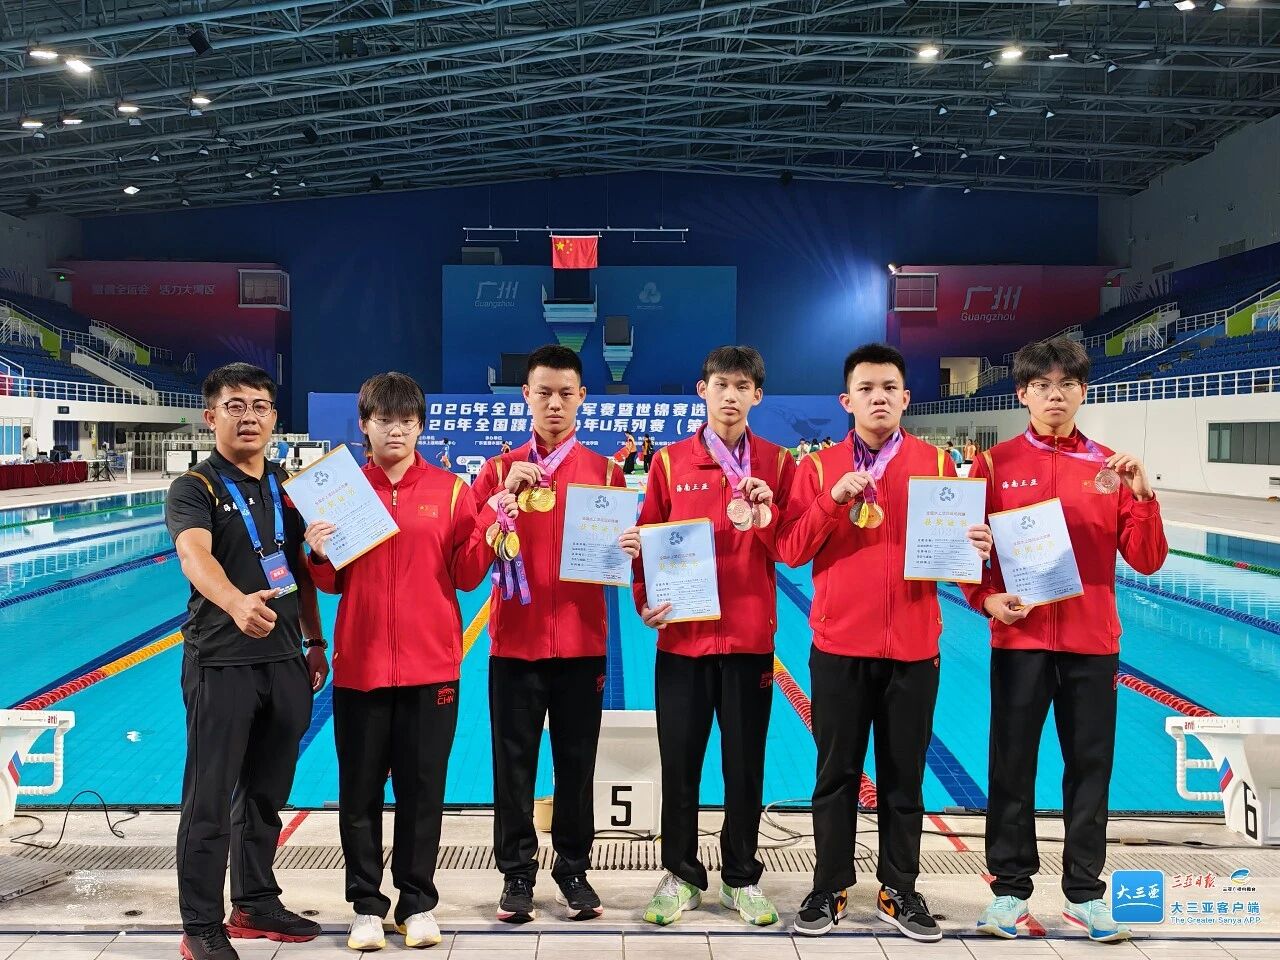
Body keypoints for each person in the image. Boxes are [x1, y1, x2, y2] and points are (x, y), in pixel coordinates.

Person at [775, 344, 992, 943]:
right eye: (866, 388)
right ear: (846, 400)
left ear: (905, 398)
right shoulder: (818, 469)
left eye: (889, 387)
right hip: (839, 646)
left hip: (914, 650)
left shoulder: (937, 464)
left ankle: (900, 888)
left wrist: (976, 550)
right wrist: (832, 501)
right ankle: (829, 886)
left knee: (904, 780)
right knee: (835, 776)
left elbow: (957, 558)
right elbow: (790, 549)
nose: (879, 397)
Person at [966, 338, 1168, 944]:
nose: (1055, 395)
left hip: (1091, 643)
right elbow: (967, 554)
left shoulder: (1110, 469)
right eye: (1042, 385)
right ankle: (1009, 892)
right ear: (1022, 394)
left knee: (1089, 770)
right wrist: (985, 599)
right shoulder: (994, 464)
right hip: (1021, 641)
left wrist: (1143, 495)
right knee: (1011, 766)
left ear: (1083, 392)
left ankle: (1084, 894)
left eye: (1067, 384)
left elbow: (1148, 559)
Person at [304, 373, 500, 951]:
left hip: (431, 667)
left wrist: (492, 529)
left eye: (407, 420)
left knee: (422, 791)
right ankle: (366, 906)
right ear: (364, 425)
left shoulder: (451, 491)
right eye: (385, 419)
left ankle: (417, 903)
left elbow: (467, 575)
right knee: (359, 792)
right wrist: (318, 552)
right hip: (361, 665)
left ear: (420, 427)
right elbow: (331, 583)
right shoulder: (342, 492)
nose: (396, 430)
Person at [625, 346, 795, 928]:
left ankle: (741, 877)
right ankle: (680, 874)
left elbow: (792, 548)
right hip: (683, 644)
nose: (730, 395)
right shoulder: (670, 462)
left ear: (757, 396)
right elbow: (646, 539)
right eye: (721, 384)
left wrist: (770, 516)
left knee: (745, 766)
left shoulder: (778, 463)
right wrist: (644, 600)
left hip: (749, 643)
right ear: (703, 390)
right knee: (681, 763)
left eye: (742, 386)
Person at [165, 363, 328, 960]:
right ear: (211, 416)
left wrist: (315, 642)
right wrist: (235, 603)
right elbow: (194, 555)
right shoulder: (195, 488)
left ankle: (255, 902)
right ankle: (200, 925)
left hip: (284, 659)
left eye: (260, 405)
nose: (249, 416)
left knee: (265, 792)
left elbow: (301, 568)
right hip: (222, 660)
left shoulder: (288, 486)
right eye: (235, 406)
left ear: (274, 417)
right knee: (209, 796)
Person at [469, 344, 633, 924]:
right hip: (515, 644)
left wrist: (632, 551)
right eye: (544, 393)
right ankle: (516, 873)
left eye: (566, 393)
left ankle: (572, 869)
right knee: (512, 764)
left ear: (582, 397)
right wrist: (500, 501)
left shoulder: (607, 474)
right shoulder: (497, 470)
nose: (555, 403)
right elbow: (470, 555)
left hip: (582, 646)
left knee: (576, 764)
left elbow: (625, 557)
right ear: (526, 396)